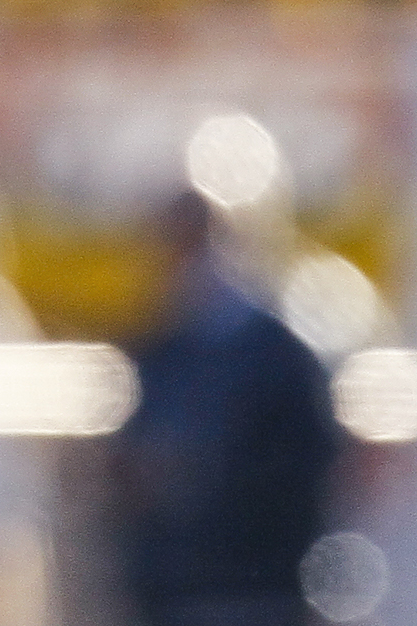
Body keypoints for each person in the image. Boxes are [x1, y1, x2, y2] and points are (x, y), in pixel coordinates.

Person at [112, 189, 341, 626]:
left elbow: (309, 465)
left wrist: (203, 476)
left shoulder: (275, 354)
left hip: (256, 589)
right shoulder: (160, 350)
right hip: (176, 591)